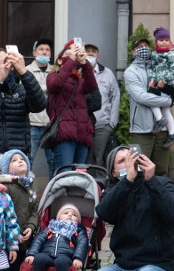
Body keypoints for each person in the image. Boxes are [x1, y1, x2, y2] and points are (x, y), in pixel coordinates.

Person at [77, 146, 174, 271]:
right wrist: (127, 182)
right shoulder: (116, 190)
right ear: (114, 172)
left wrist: (151, 180)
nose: (130, 163)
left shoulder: (162, 183)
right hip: (123, 266)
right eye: (122, 161)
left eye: (132, 157)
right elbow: (104, 213)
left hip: (158, 266)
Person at [0, 149, 39, 271]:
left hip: (23, 241)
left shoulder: (31, 186)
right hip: (5, 240)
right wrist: (11, 234)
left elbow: (35, 210)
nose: (20, 161)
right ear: (7, 168)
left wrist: (30, 226)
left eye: (22, 159)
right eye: (14, 160)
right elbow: (1, 214)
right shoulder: (5, 187)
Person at [124, 38, 174, 176]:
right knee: (137, 170)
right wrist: (167, 101)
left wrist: (173, 95)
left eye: (146, 46)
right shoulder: (130, 72)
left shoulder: (159, 66)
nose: (144, 48)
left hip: (163, 131)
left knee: (161, 171)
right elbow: (141, 97)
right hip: (141, 130)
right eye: (139, 47)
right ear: (133, 52)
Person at [24, 203, 88, 271]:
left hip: (66, 255)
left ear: (78, 220)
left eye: (74, 215)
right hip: (47, 253)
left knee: (61, 261)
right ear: (58, 217)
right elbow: (39, 240)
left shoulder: (78, 229)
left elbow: (82, 244)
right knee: (39, 258)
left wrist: (78, 258)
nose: (70, 215)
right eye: (66, 213)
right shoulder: (51, 227)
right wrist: (32, 254)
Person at [46, 40, 98, 169]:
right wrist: (71, 60)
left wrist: (84, 63)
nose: (73, 56)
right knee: (64, 173)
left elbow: (92, 87)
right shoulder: (52, 76)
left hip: (82, 133)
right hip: (64, 134)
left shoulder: (80, 80)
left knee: (80, 174)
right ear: (59, 60)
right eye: (68, 53)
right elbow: (56, 84)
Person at [84, 44, 120, 167]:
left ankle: (100, 185)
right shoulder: (77, 72)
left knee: (99, 160)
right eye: (87, 51)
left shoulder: (107, 73)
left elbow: (115, 96)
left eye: (93, 51)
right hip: (82, 125)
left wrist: (112, 123)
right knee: (84, 159)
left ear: (98, 55)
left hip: (102, 125)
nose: (90, 54)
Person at [148, 27, 174, 148]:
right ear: (156, 42)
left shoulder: (172, 53)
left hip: (170, 85)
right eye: (161, 40)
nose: (164, 42)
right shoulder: (154, 55)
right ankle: (172, 133)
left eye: (167, 39)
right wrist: (152, 79)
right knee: (165, 109)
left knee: (151, 99)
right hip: (160, 84)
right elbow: (151, 68)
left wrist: (164, 80)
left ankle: (160, 120)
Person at [25, 39, 56, 175]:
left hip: (51, 124)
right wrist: (47, 88)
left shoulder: (55, 71)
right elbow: (27, 91)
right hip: (32, 122)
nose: (44, 52)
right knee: (28, 159)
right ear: (34, 52)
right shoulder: (26, 71)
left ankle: (53, 192)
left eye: (47, 50)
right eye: (41, 49)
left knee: (53, 160)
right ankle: (26, 191)